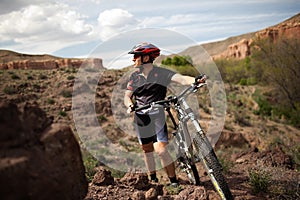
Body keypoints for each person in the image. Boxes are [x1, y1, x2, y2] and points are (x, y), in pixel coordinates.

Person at [123, 42, 206, 186]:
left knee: (161, 150)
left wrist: (195, 80)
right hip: (141, 117)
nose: (133, 59)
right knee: (147, 150)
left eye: (136, 56)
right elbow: (127, 96)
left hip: (157, 115)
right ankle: (152, 178)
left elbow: (181, 78)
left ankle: (173, 181)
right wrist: (129, 104)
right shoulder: (134, 77)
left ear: (146, 57)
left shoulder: (161, 73)